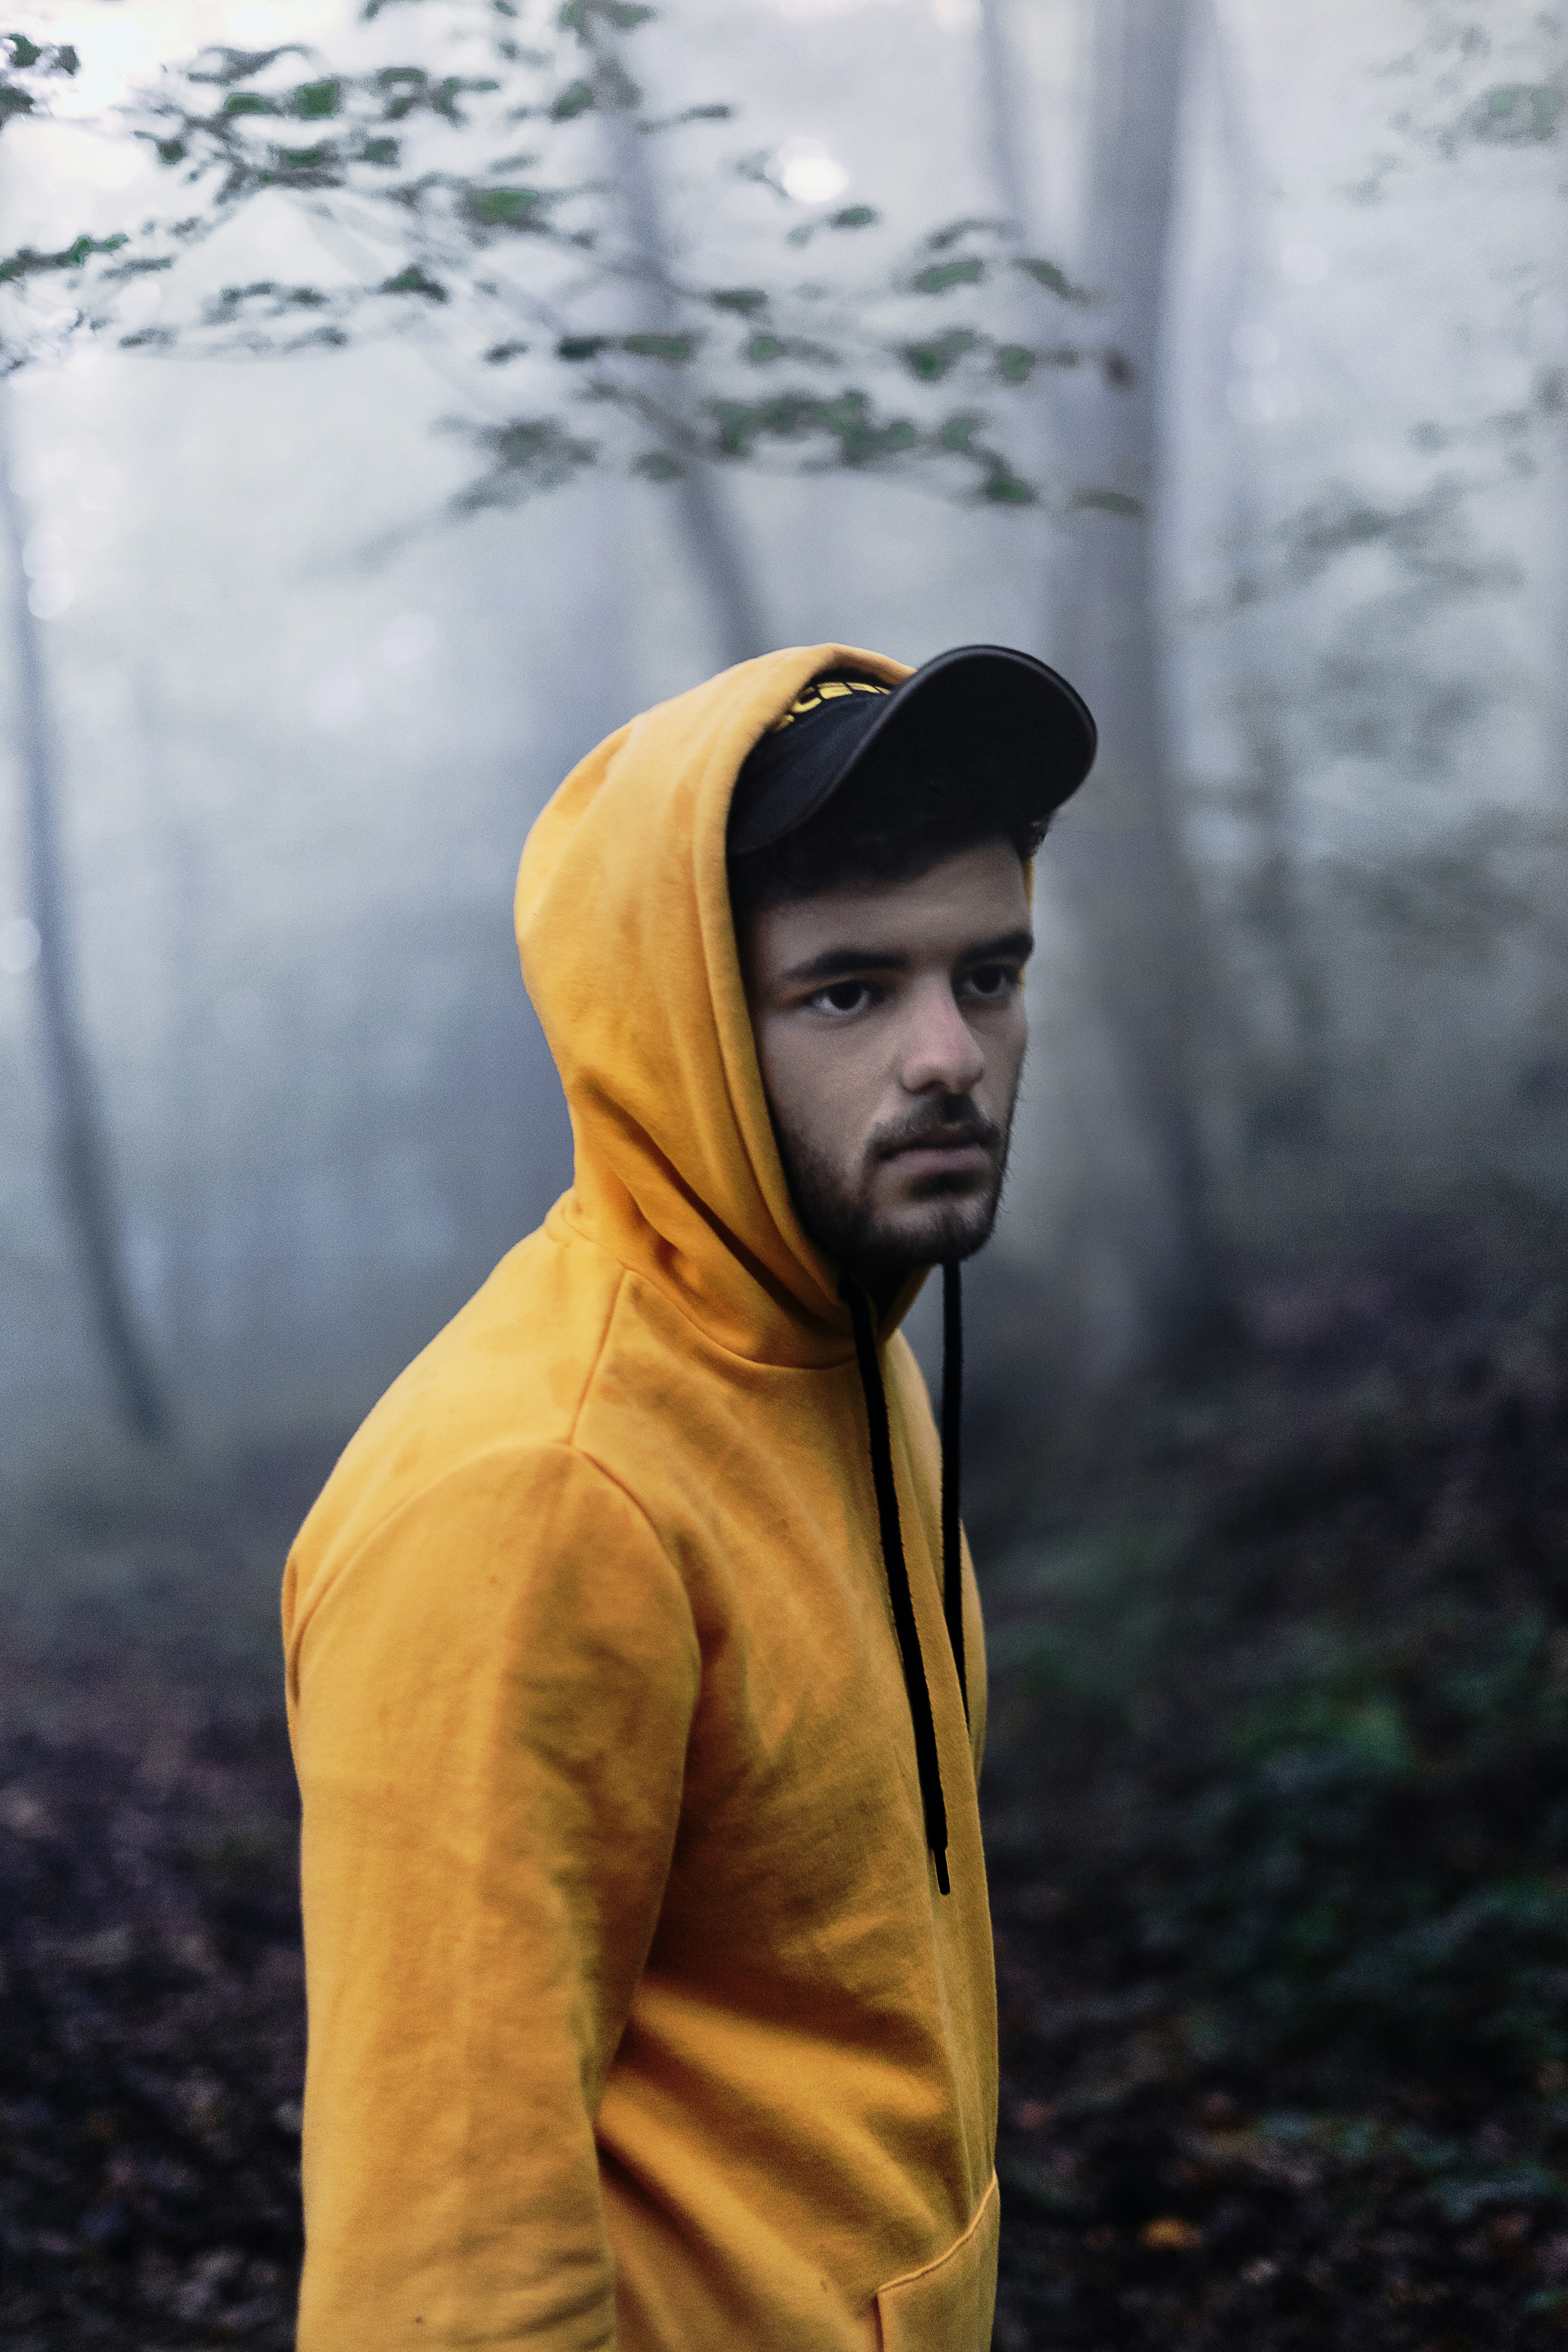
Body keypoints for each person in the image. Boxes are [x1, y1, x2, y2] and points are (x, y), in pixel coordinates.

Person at [282, 640, 1096, 2351]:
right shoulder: (533, 1496)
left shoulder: (844, 1341)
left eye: (988, 976)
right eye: (849, 993)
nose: (949, 1055)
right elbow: (442, 2285)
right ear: (687, 1030)